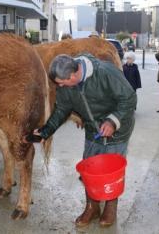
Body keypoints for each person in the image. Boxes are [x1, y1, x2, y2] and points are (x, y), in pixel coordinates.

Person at [27, 53, 136, 228]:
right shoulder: (66, 85)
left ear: (73, 75)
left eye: (62, 82)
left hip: (118, 128)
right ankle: (92, 207)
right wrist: (45, 132)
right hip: (94, 130)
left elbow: (129, 98)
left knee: (111, 170)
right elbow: (61, 109)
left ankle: (110, 206)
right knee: (90, 168)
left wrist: (113, 121)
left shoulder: (105, 72)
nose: (59, 86)